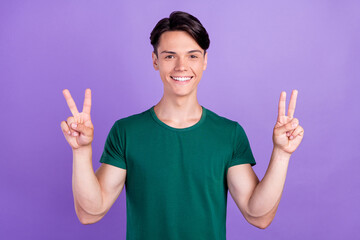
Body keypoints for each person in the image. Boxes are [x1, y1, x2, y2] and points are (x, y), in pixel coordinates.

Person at [60, 11, 304, 240]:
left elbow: (258, 214)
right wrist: (81, 152)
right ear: (155, 61)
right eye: (169, 56)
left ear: (205, 61)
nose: (181, 66)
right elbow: (90, 211)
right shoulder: (126, 132)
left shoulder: (229, 134)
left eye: (192, 55)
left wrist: (281, 154)